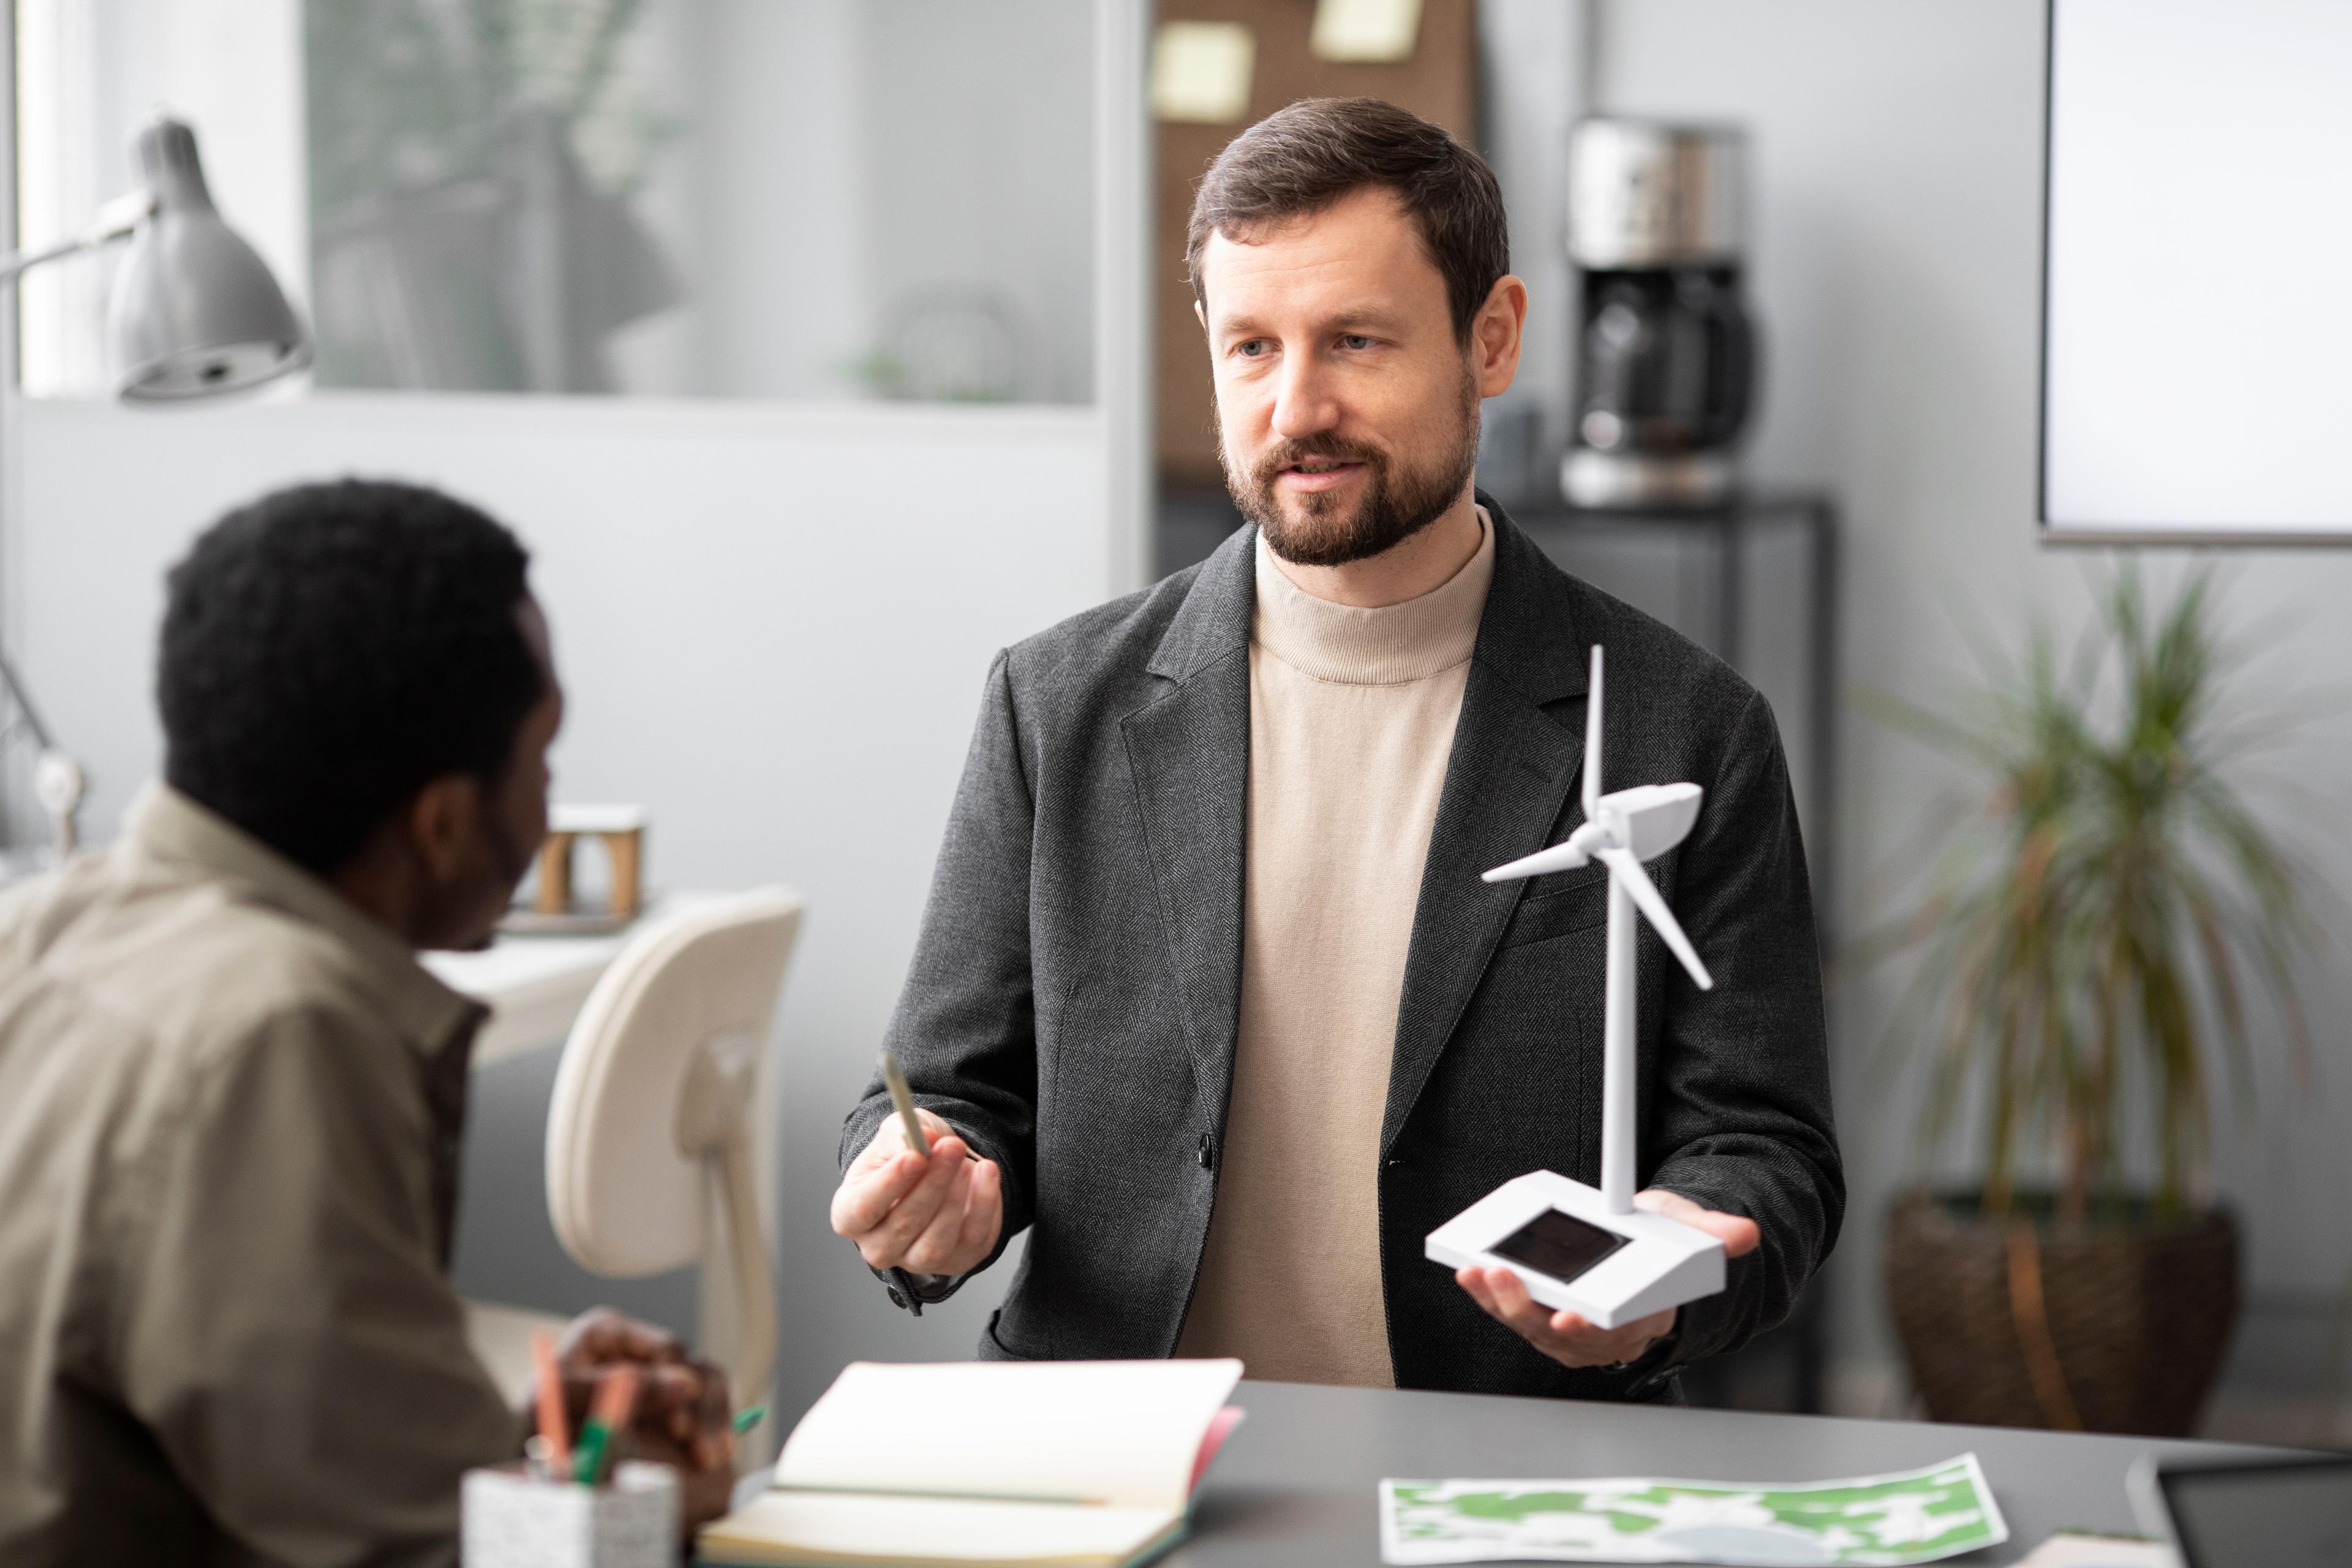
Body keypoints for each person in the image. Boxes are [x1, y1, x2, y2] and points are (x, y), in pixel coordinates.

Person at [832, 98, 1841, 1402]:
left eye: (1355, 341)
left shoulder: (1684, 727)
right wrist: (932, 1191)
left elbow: (1764, 1151)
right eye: (1251, 346)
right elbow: (945, 1098)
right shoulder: (1056, 705)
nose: (1295, 406)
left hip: (1500, 1464)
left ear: (1494, 337)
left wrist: (1677, 1271)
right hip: (1118, 1452)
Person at [0, 480, 734, 1566]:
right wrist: (644, 1509)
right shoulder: (280, 1037)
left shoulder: (42, 926)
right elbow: (424, 1551)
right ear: (441, 823)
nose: (547, 801)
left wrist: (503, 1420)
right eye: (542, 761)